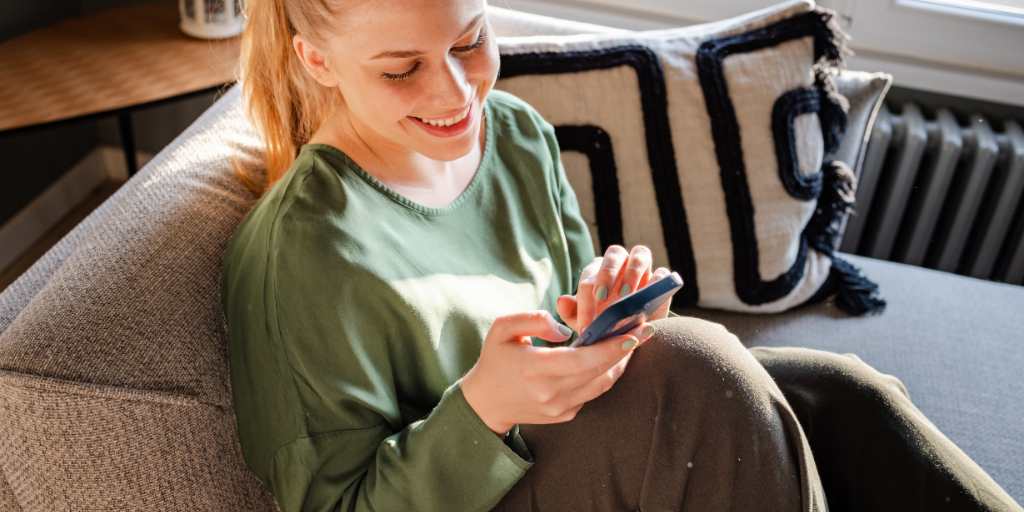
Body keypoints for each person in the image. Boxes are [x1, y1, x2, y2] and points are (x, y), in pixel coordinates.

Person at [219, 0, 1024, 511]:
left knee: (838, 393)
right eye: (402, 70)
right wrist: (483, 406)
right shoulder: (301, 252)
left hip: (565, 452)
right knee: (697, 370)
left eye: (470, 42)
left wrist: (605, 312)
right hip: (475, 493)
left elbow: (572, 315)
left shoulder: (516, 136)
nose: (457, 94)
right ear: (316, 60)